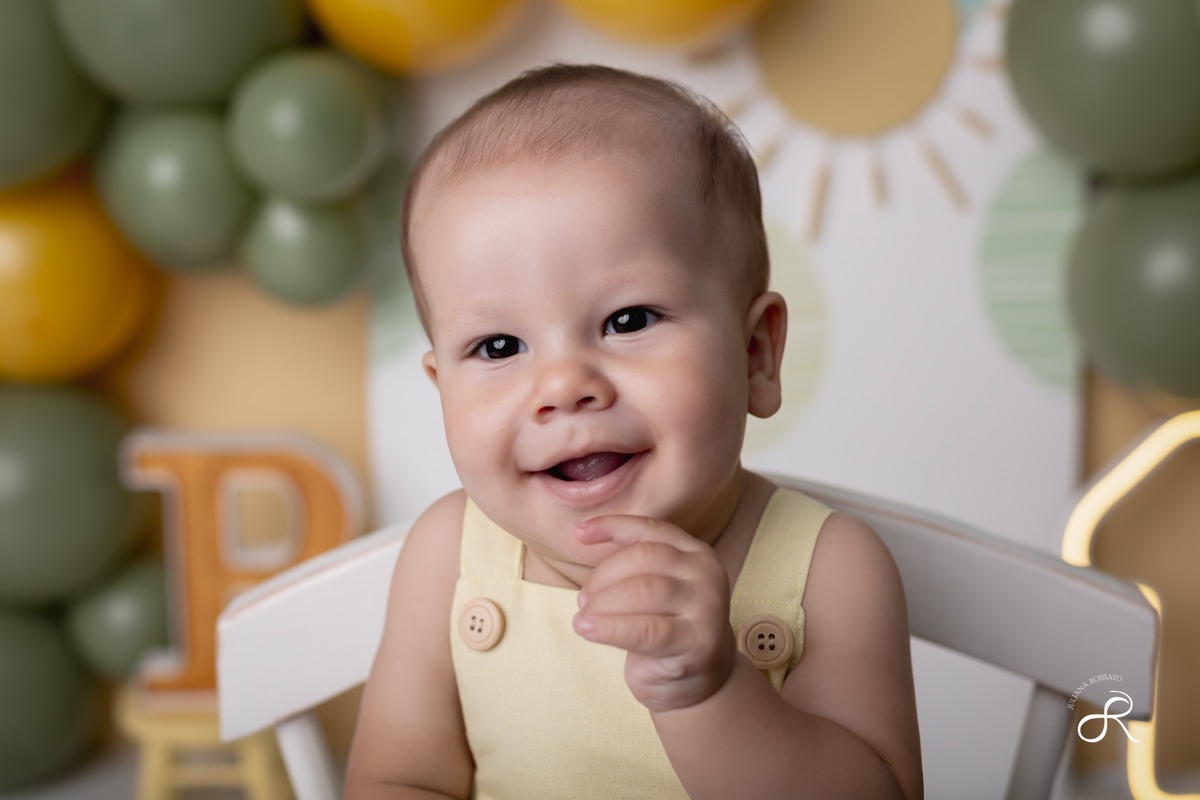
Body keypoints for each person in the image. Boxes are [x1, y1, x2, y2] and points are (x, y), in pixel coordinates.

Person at [345, 63, 922, 800]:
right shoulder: (448, 561)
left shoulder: (828, 571)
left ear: (755, 355)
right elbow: (397, 780)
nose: (563, 386)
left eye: (627, 320)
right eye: (499, 347)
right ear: (442, 390)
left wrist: (712, 695)